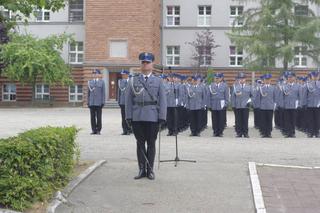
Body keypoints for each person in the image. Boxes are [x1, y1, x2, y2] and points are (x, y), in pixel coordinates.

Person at [125, 52, 167, 180]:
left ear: (152, 64)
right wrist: (128, 117)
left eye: (147, 62)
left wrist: (162, 117)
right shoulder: (133, 80)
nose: (145, 64)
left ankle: (150, 170)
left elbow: (163, 100)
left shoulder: (158, 81)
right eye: (143, 62)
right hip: (137, 116)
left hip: (152, 116)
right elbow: (128, 100)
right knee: (140, 143)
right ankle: (141, 169)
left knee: (151, 143)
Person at [207, 73, 229, 137]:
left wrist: (226, 104)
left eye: (218, 78)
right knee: (214, 119)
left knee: (221, 119)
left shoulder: (225, 86)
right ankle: (215, 131)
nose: (216, 79)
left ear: (221, 79)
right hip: (213, 104)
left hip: (221, 104)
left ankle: (220, 132)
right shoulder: (211, 86)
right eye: (215, 78)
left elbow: (226, 96)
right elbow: (209, 96)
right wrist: (209, 105)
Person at [231, 72, 252, 138]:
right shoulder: (235, 87)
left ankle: (245, 133)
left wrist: (250, 102)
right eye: (240, 78)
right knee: (238, 120)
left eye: (243, 78)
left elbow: (252, 96)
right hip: (238, 106)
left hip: (246, 106)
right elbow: (233, 97)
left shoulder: (249, 87)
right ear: (238, 79)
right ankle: (239, 133)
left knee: (245, 120)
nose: (242, 80)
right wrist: (233, 105)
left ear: (245, 79)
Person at [87, 69, 105, 135]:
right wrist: (88, 102)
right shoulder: (89, 82)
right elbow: (88, 93)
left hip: (99, 103)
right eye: (93, 73)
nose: (94, 74)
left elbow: (103, 93)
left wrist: (103, 102)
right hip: (92, 102)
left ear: (99, 74)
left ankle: (98, 130)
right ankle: (93, 130)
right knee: (92, 117)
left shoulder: (102, 82)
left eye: (96, 73)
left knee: (99, 117)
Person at [259, 73, 276, 138]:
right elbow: (259, 97)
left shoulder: (273, 88)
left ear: (270, 80)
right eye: (266, 79)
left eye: (268, 79)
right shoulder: (261, 88)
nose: (267, 80)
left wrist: (274, 106)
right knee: (263, 120)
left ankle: (269, 133)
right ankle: (264, 133)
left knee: (269, 120)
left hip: (270, 106)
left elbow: (275, 97)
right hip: (263, 106)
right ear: (264, 80)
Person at [118, 70, 132, 135]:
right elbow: (119, 92)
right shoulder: (121, 82)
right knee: (123, 117)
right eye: (122, 75)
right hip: (123, 102)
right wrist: (119, 101)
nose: (122, 76)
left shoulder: (131, 81)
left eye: (123, 74)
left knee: (129, 116)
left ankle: (130, 129)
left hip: (130, 103)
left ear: (127, 75)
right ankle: (124, 130)